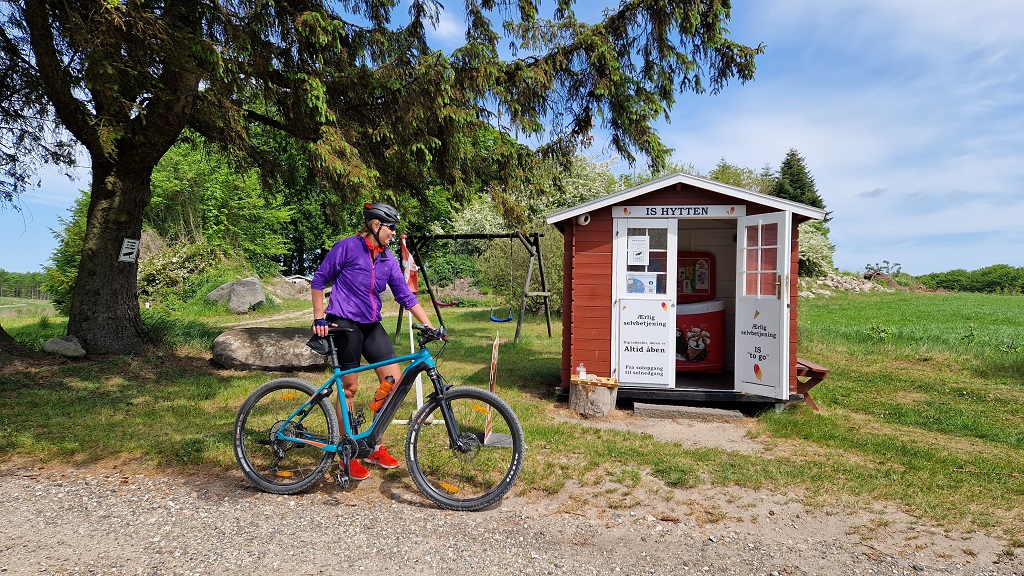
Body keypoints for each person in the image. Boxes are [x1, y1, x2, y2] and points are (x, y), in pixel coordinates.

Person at [310, 202, 436, 481]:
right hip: (343, 322)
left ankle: (370, 444)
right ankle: (347, 452)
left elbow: (406, 295)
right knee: (350, 388)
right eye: (391, 228)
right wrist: (319, 318)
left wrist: (429, 324)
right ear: (376, 226)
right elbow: (318, 280)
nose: (394, 233)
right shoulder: (347, 247)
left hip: (370, 325)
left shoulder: (388, 259)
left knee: (394, 382)